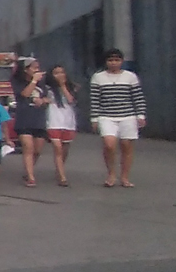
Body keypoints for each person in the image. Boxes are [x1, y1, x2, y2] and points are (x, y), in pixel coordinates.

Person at [88, 48, 147, 188]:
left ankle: (125, 177)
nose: (113, 63)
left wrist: (141, 115)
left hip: (127, 115)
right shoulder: (98, 77)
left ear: (121, 61)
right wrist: (94, 118)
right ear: (106, 62)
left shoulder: (130, 77)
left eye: (117, 60)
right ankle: (111, 174)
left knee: (127, 146)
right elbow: (95, 99)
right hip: (106, 116)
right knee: (109, 144)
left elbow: (137, 97)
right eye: (110, 60)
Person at [12, 59, 52, 187]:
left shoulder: (43, 83)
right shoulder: (18, 82)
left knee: (37, 150)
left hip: (38, 118)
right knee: (28, 147)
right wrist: (34, 81)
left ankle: (28, 170)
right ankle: (30, 177)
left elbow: (46, 97)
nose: (36, 70)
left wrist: (43, 100)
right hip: (24, 118)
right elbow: (24, 94)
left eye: (38, 67)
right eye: (33, 67)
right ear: (25, 69)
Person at [45, 65, 78, 187]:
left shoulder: (71, 87)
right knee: (57, 147)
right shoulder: (47, 88)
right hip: (54, 119)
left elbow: (71, 100)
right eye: (56, 73)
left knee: (65, 148)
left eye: (62, 72)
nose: (59, 75)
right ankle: (62, 177)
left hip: (68, 120)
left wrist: (63, 86)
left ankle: (59, 169)